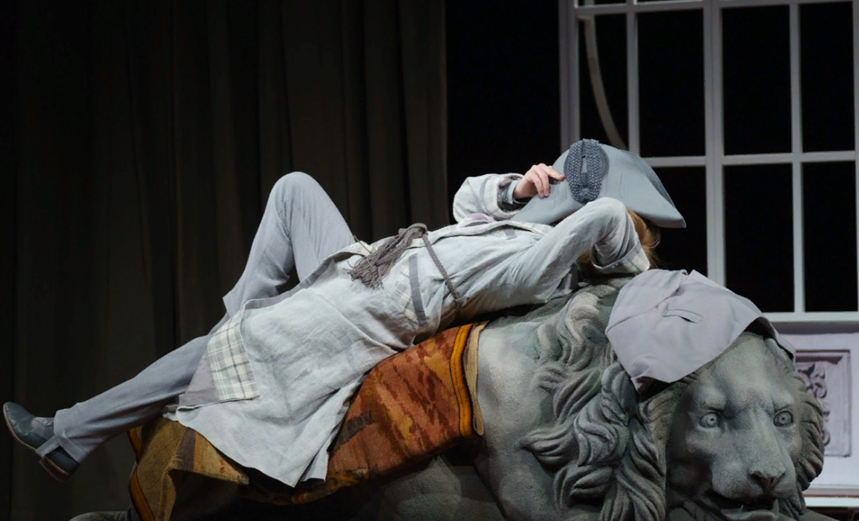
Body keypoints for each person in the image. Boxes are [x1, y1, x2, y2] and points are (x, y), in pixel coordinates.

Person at [4, 139, 685, 487]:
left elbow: (603, 217)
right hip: (365, 265)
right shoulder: (521, 226)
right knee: (294, 191)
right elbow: (462, 198)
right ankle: (238, 338)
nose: (567, 184)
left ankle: (67, 435)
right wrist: (519, 189)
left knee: (223, 349)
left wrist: (605, 216)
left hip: (374, 310)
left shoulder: (543, 267)